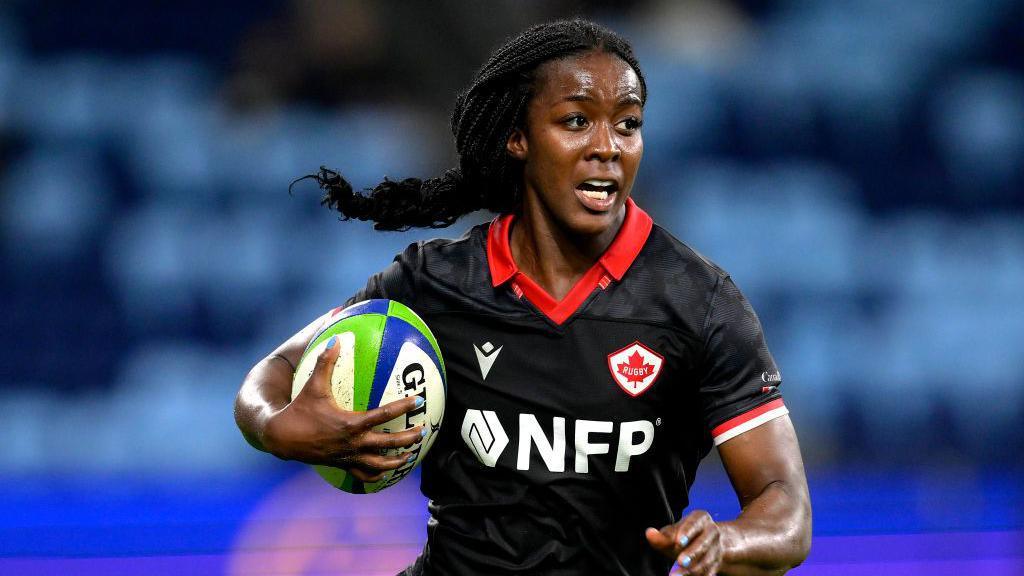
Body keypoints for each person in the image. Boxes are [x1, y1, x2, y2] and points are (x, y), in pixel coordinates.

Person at [234, 18, 811, 576]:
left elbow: (786, 510)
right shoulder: (432, 284)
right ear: (518, 138)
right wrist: (275, 428)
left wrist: (730, 539)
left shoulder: (698, 301)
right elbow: (271, 377)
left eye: (628, 124)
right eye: (577, 120)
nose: (608, 146)